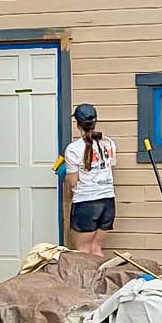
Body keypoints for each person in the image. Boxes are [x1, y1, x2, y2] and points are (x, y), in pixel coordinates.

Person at [64, 103, 116, 257]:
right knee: (96, 249)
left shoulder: (73, 149)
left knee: (83, 251)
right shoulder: (109, 143)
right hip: (108, 202)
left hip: (87, 203)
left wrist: (65, 173)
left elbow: (73, 181)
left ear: (78, 123)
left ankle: (85, 282)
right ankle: (99, 281)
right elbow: (109, 167)